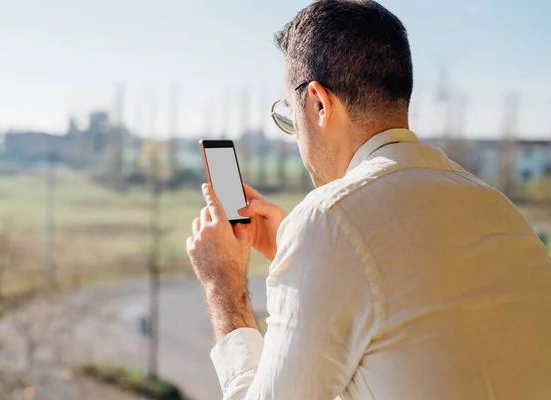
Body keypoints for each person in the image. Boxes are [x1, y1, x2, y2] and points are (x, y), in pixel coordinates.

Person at [186, 1, 551, 399]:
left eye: (291, 115)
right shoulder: (501, 212)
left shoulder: (328, 221)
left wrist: (222, 288)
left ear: (319, 104)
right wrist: (294, 253)